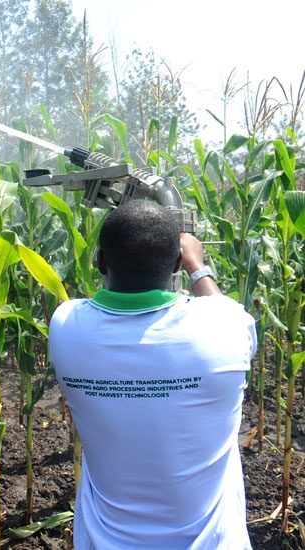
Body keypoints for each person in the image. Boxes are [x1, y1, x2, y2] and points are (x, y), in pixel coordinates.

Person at [48, 199, 257, 549]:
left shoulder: (66, 326)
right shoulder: (225, 328)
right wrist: (198, 267)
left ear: (99, 261)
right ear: (177, 263)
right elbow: (222, 310)